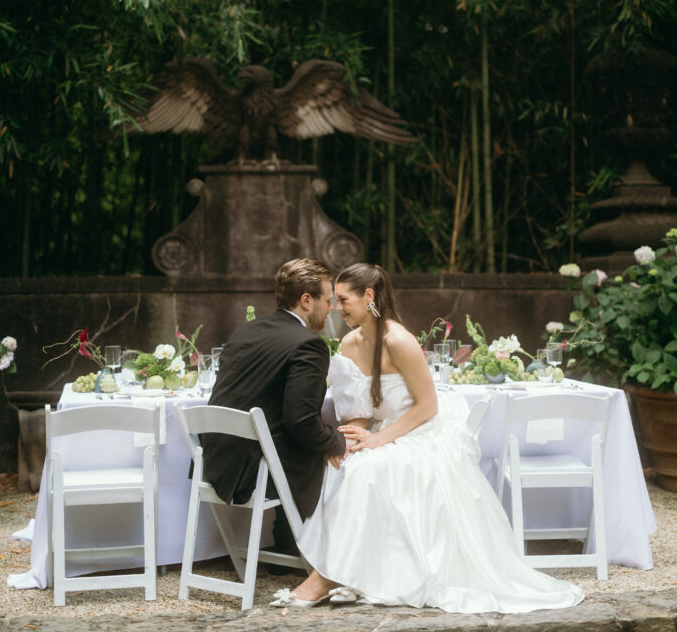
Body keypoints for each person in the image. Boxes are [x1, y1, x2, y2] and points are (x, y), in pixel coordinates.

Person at [270, 262, 584, 612]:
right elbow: (357, 407)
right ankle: (354, 571)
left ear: (369, 296)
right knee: (346, 463)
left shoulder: (399, 341)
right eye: (336, 300)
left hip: (420, 430)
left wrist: (380, 439)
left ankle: (328, 577)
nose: (337, 308)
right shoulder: (350, 343)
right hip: (385, 431)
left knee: (371, 469)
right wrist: (355, 435)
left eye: (344, 300)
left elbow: (427, 406)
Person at [202, 257, 347, 555]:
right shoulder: (309, 344)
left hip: (216, 460)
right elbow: (301, 421)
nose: (331, 307)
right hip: (252, 470)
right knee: (336, 453)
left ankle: (287, 540)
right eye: (327, 300)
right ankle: (312, 546)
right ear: (307, 301)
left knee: (299, 439)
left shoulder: (246, 331)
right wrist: (338, 442)